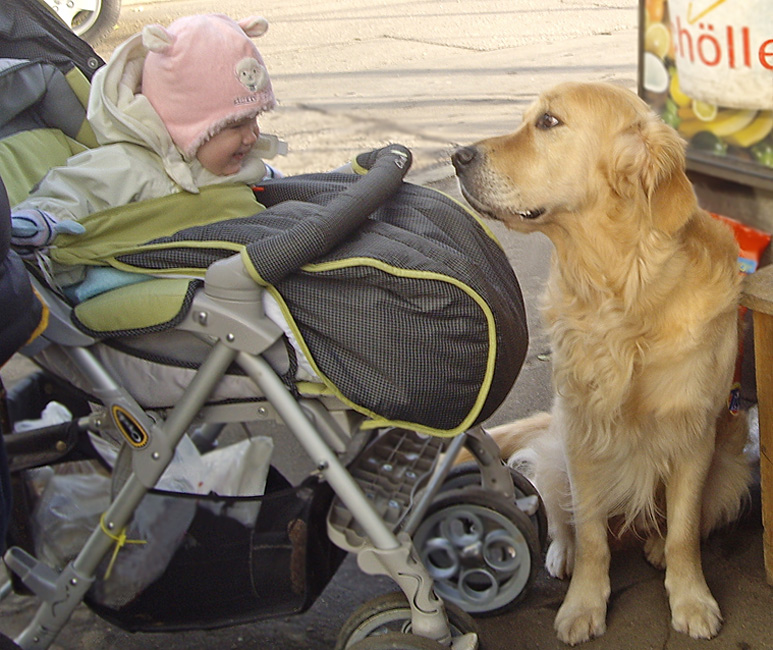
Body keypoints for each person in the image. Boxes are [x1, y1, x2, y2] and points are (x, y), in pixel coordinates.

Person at [10, 13, 285, 283]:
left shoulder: (234, 163)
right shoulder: (125, 165)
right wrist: (41, 220)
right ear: (184, 123)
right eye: (235, 126)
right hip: (149, 289)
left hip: (232, 274)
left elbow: (259, 178)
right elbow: (70, 192)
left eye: (255, 120)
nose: (252, 137)